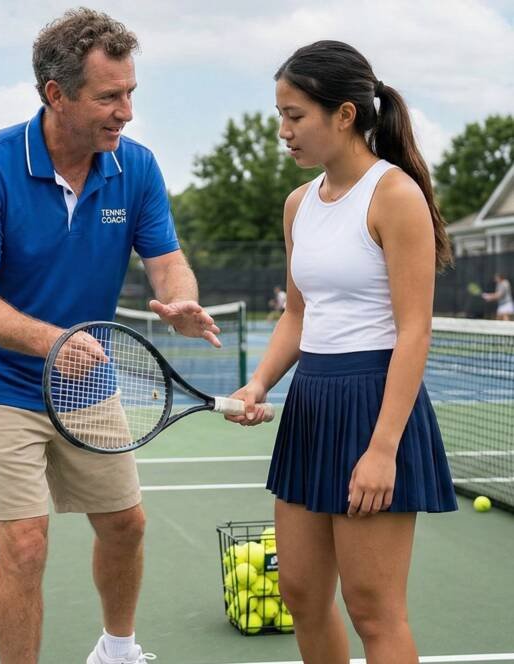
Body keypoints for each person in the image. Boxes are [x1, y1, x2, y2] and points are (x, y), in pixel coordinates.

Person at [0, 9, 219, 664]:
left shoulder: (137, 168)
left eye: (130, 94)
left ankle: (116, 650)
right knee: (26, 545)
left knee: (125, 524)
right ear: (56, 95)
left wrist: (182, 296)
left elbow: (167, 258)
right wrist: (52, 343)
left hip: (88, 384)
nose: (125, 112)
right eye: (108, 97)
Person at [226, 41, 457, 663]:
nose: (283, 130)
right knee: (300, 592)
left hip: (375, 406)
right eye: (281, 114)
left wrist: (382, 450)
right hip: (311, 404)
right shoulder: (298, 205)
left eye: (295, 114)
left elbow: (415, 332)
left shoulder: (395, 195)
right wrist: (258, 385)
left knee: (373, 611)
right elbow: (298, 315)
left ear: (345, 114)